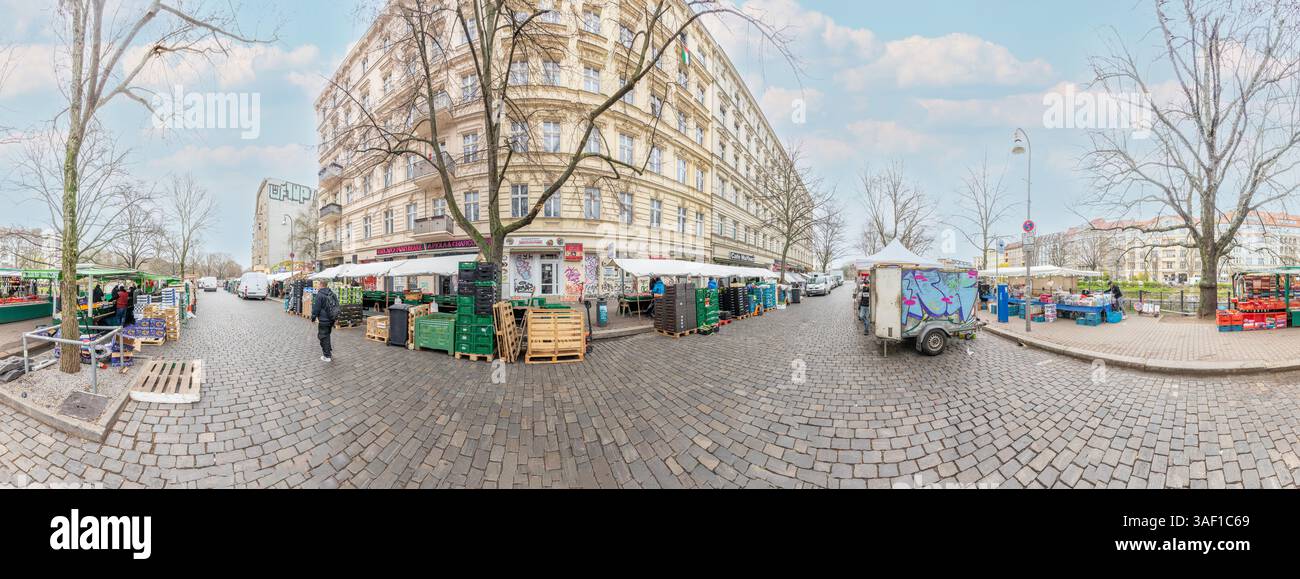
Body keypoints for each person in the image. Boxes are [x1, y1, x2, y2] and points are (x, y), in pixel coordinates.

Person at [310, 281, 339, 362]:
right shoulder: (332, 293)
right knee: (327, 335)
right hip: (331, 319)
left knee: (323, 337)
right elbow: (337, 305)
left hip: (323, 320)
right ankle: (328, 351)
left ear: (321, 285)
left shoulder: (320, 295)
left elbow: (316, 308)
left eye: (318, 284)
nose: (317, 286)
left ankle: (327, 356)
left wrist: (313, 317)